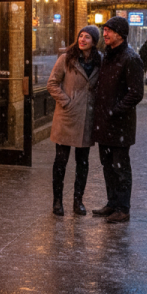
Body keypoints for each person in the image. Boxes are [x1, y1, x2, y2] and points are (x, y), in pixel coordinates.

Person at [91, 16, 144, 223]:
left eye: (109, 31)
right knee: (107, 166)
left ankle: (123, 208)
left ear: (120, 35)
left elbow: (136, 93)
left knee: (120, 168)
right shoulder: (107, 55)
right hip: (104, 124)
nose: (104, 34)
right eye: (104, 30)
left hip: (120, 125)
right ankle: (112, 203)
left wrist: (115, 111)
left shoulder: (131, 58)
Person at [46, 25, 102, 217]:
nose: (82, 40)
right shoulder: (66, 58)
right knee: (60, 161)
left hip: (86, 118)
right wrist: (66, 102)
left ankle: (78, 201)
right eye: (81, 36)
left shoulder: (99, 61)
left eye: (87, 37)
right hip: (67, 117)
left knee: (82, 162)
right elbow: (52, 84)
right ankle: (57, 201)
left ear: (94, 42)